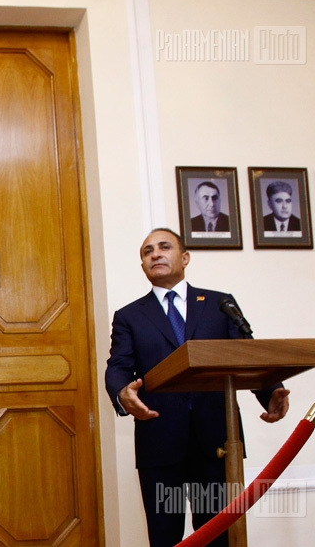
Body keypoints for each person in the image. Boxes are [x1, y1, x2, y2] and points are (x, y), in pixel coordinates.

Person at [105, 228, 290, 547]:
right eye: (148, 252)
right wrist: (122, 393)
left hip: (216, 439)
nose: (156, 254)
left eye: (164, 247)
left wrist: (269, 390)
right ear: (143, 266)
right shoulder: (129, 316)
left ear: (185, 257)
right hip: (159, 439)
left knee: (216, 534)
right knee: (166, 537)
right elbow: (118, 366)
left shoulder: (219, 303)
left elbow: (245, 350)